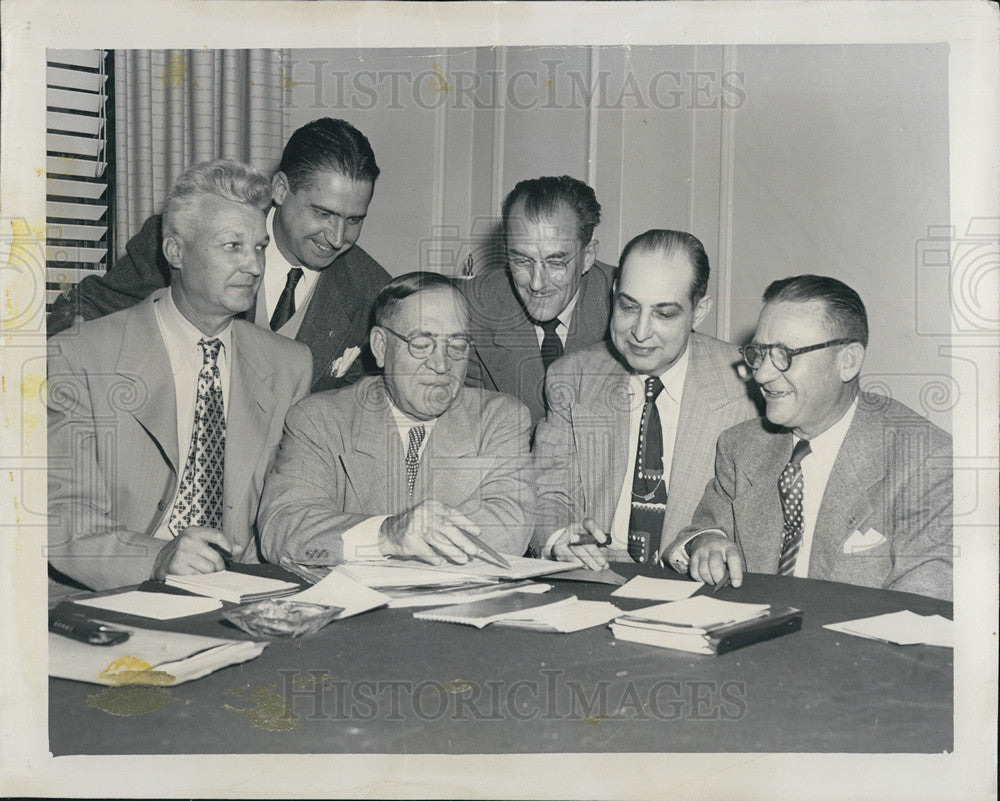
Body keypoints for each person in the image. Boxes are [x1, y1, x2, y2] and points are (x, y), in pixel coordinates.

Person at [47, 160, 313, 591]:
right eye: (233, 246)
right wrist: (158, 557)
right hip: (116, 594)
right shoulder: (77, 356)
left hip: (238, 593)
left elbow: (288, 508)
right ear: (175, 251)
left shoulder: (290, 365)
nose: (255, 267)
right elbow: (64, 517)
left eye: (260, 247)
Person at [47, 117, 390, 393]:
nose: (337, 237)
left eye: (354, 219)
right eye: (322, 213)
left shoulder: (373, 291)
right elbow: (81, 312)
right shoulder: (190, 236)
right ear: (281, 190)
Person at [666, 275, 953, 601]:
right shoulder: (743, 445)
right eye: (759, 353)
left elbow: (923, 607)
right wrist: (707, 541)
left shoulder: (926, 459)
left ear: (848, 362)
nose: (761, 373)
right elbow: (702, 529)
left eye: (784, 354)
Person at [259, 272, 534, 566]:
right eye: (421, 344)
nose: (442, 364)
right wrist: (387, 535)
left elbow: (510, 529)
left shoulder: (499, 420)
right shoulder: (320, 420)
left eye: (456, 345)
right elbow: (282, 531)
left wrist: (413, 540)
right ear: (380, 346)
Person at [532, 229, 760, 569]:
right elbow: (546, 495)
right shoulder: (573, 378)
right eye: (628, 306)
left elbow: (753, 520)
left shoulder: (747, 388)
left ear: (699, 312)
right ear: (613, 295)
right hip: (596, 580)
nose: (639, 332)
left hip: (696, 590)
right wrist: (561, 537)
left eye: (664, 314)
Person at [463, 176, 615, 427]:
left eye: (556, 262)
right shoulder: (473, 306)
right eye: (521, 261)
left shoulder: (632, 305)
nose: (536, 283)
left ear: (588, 256)